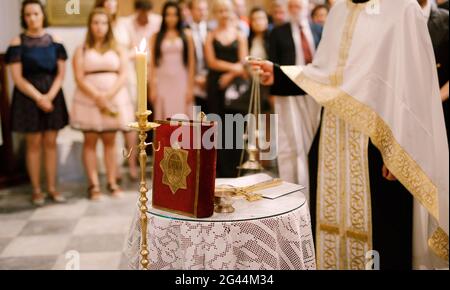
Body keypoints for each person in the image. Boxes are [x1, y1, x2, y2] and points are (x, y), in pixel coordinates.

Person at [252, 0, 449, 270]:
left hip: (379, 145)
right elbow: (326, 75)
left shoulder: (403, 8)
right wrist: (278, 74)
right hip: (332, 142)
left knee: (385, 238)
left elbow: (414, 85)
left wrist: (400, 149)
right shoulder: (338, 12)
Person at [5, 0, 69, 206]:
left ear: (43, 15)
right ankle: (36, 190)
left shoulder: (55, 40)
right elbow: (17, 78)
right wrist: (39, 97)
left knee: (50, 143)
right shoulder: (17, 42)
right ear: (23, 18)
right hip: (28, 97)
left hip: (53, 94)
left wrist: (49, 96)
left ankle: (52, 188)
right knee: (33, 144)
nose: (32, 18)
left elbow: (60, 74)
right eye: (28, 15)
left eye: (36, 14)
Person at [71, 8, 134, 200]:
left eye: (103, 23)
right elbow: (79, 77)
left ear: (109, 26)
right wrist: (97, 96)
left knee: (110, 142)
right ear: (90, 25)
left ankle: (112, 181)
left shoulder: (118, 48)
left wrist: (107, 95)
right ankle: (93, 185)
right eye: (96, 23)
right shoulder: (81, 49)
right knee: (90, 142)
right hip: (88, 100)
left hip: (113, 98)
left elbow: (123, 74)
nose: (100, 27)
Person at [269, 0, 323, 200]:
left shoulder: (319, 30)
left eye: (298, 3)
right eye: (291, 3)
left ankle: (315, 189)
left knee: (313, 143)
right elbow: (273, 65)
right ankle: (293, 193)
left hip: (316, 95)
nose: (294, 6)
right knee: (291, 145)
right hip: (288, 94)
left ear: (307, 5)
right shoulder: (278, 32)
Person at [416, 0, 449, 269]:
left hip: (442, 112)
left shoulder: (446, 20)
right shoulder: (391, 20)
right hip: (405, 114)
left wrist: (435, 100)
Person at [94, 0, 139, 181]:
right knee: (112, 122)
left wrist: (123, 56)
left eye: (114, 2)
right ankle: (115, 167)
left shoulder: (125, 24)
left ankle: (133, 164)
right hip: (109, 78)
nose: (111, 5)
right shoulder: (98, 25)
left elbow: (136, 48)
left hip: (127, 77)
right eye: (108, 2)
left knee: (130, 124)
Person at [205, 0, 248, 177]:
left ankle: (236, 169)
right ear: (215, 14)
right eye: (220, 11)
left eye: (226, 11)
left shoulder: (240, 35)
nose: (224, 14)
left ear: (232, 12)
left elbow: (244, 61)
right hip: (216, 86)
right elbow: (211, 62)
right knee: (218, 128)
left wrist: (231, 74)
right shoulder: (210, 35)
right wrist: (234, 68)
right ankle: (220, 171)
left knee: (236, 127)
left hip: (236, 86)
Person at [150, 1, 195, 120]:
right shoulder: (156, 36)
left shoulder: (187, 35)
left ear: (179, 16)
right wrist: (152, 88)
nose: (171, 18)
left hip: (181, 80)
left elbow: (191, 63)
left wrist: (190, 88)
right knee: (164, 118)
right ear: (163, 16)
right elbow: (152, 64)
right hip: (162, 81)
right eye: (168, 14)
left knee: (183, 117)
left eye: (174, 14)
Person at [188, 0, 210, 112]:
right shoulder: (184, 30)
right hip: (191, 81)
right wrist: (195, 77)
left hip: (210, 81)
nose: (202, 12)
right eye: (199, 9)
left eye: (205, 9)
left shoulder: (212, 29)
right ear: (191, 11)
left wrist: (207, 77)